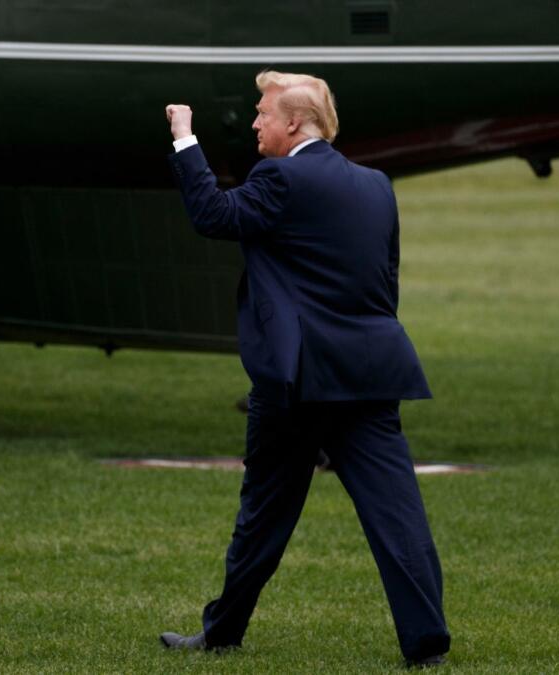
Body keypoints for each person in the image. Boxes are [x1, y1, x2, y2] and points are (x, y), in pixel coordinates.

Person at [159, 71, 450, 668]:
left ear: (295, 123)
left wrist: (185, 139)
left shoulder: (281, 176)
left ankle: (221, 635)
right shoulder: (376, 185)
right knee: (398, 516)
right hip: (371, 370)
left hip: (296, 381)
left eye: (263, 112)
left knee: (263, 515)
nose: (256, 122)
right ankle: (427, 645)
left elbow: (214, 215)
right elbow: (383, 282)